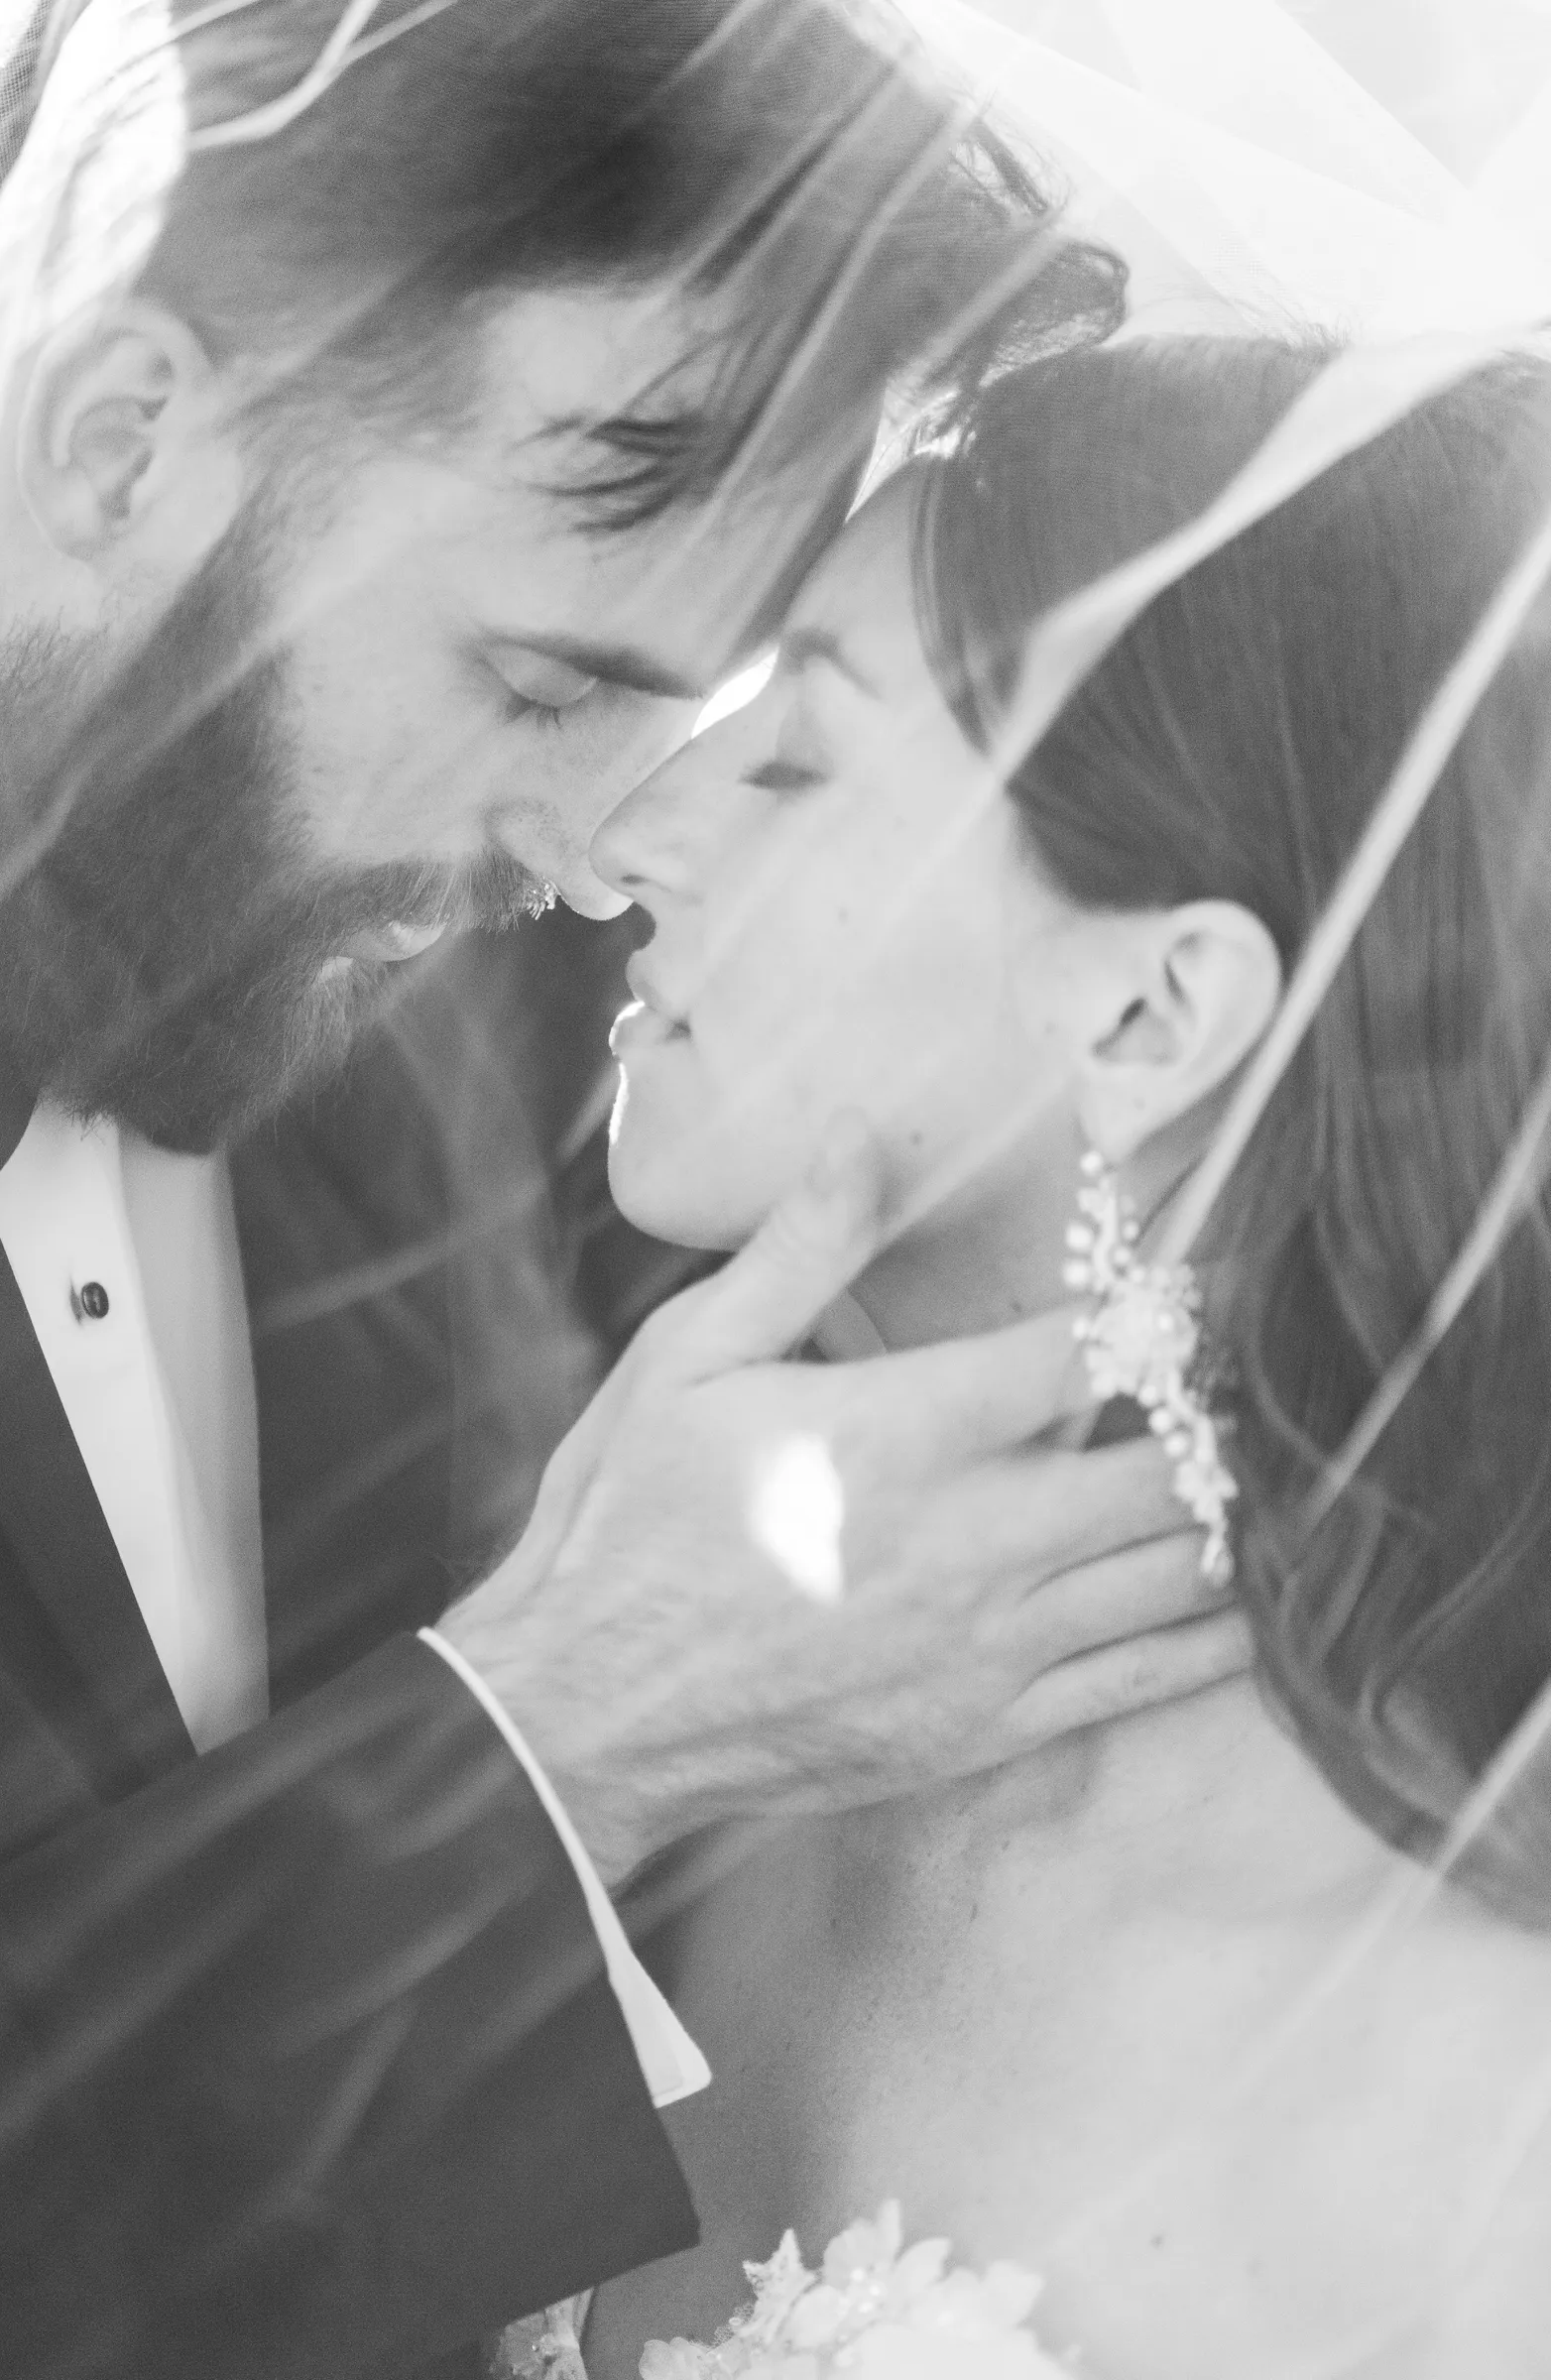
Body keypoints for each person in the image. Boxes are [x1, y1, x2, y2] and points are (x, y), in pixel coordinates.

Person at [0, 5, 1248, 2376]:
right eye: (545, 686)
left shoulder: (448, 1017)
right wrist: (548, 1740)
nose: (586, 863)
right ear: (123, 436)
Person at [580, 334, 1551, 2378]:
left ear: (1143, 1016)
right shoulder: (655, 1720)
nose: (627, 832)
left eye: (787, 763)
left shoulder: (1484, 2092)